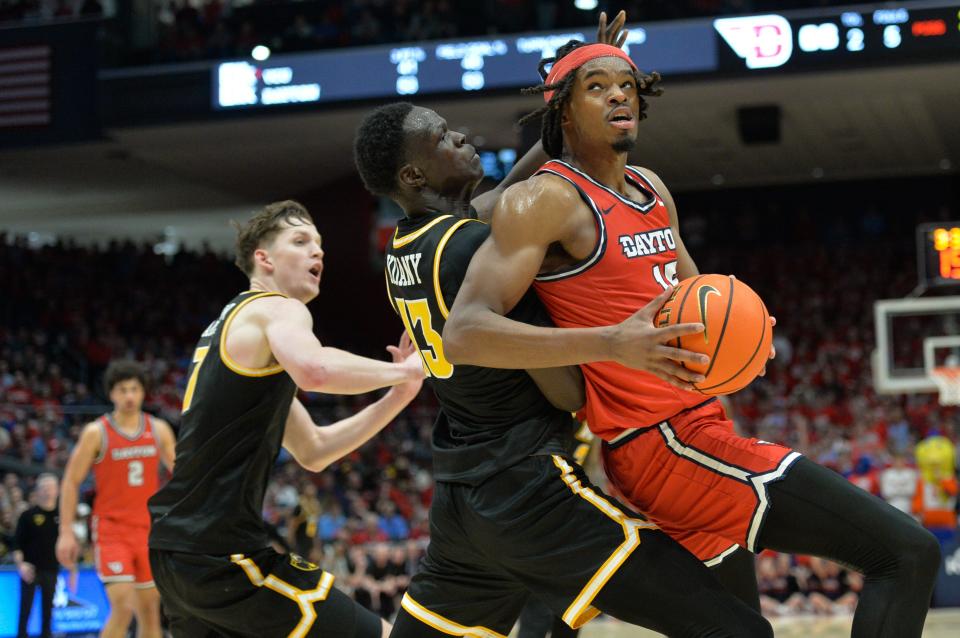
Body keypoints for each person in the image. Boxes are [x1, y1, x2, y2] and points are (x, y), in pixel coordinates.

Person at [441, 39, 941, 637]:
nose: (619, 94)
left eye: (625, 84)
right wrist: (611, 344)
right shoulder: (545, 199)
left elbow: (698, 299)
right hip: (659, 445)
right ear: (564, 113)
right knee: (907, 552)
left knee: (742, 631)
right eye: (595, 87)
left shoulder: (652, 189)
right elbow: (464, 333)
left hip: (701, 426)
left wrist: (743, 341)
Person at [354, 55, 773, 638]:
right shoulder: (473, 248)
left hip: (462, 494)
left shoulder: (411, 246)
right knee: (737, 628)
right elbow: (566, 385)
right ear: (414, 176)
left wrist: (564, 100)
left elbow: (503, 195)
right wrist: (611, 346)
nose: (462, 137)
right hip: (529, 485)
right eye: (444, 139)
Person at [147, 200, 424, 638]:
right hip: (223, 553)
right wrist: (404, 370)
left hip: (176, 554)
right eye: (300, 241)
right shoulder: (276, 308)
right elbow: (315, 369)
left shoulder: (237, 331)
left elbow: (314, 450)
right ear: (264, 258)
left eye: (320, 246)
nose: (318, 253)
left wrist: (399, 394)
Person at [57, 360, 177, 638]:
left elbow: (183, 473)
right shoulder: (95, 432)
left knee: (150, 611)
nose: (129, 396)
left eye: (134, 389)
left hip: (148, 530)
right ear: (112, 394)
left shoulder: (158, 429)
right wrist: (66, 531)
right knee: (123, 607)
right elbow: (71, 482)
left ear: (144, 393)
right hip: (112, 530)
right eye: (123, 390)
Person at [14, 474, 60, 638]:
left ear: (57, 490)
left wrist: (73, 568)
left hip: (51, 569)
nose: (47, 491)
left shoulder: (62, 516)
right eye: (44, 487)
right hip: (30, 570)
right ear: (37, 491)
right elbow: (17, 545)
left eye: (51, 487)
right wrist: (21, 565)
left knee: (48, 612)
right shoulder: (27, 515)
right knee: (25, 610)